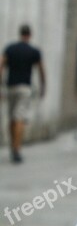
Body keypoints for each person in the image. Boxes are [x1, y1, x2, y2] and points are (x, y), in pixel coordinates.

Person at [0, 24, 46, 163]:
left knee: (11, 117)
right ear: (30, 35)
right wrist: (43, 86)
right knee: (20, 118)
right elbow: (41, 70)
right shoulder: (34, 51)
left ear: (20, 33)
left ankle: (13, 145)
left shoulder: (10, 48)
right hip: (25, 88)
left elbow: (1, 66)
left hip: (10, 87)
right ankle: (16, 149)